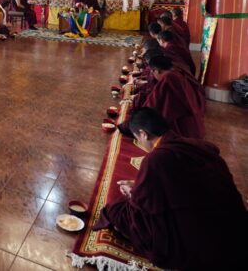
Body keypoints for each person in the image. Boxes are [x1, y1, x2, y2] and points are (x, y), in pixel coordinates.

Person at [95, 108, 247, 270]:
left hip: (203, 241)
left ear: (144, 134)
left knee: (117, 211)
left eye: (137, 138)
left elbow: (142, 207)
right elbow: (180, 186)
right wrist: (141, 185)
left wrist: (134, 192)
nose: (139, 143)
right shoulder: (200, 146)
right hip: (236, 228)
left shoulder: (156, 159)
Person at [142, 55, 205, 139]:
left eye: (152, 72)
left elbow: (152, 105)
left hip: (182, 131)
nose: (152, 75)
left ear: (156, 71)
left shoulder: (169, 79)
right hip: (195, 126)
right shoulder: (178, 72)